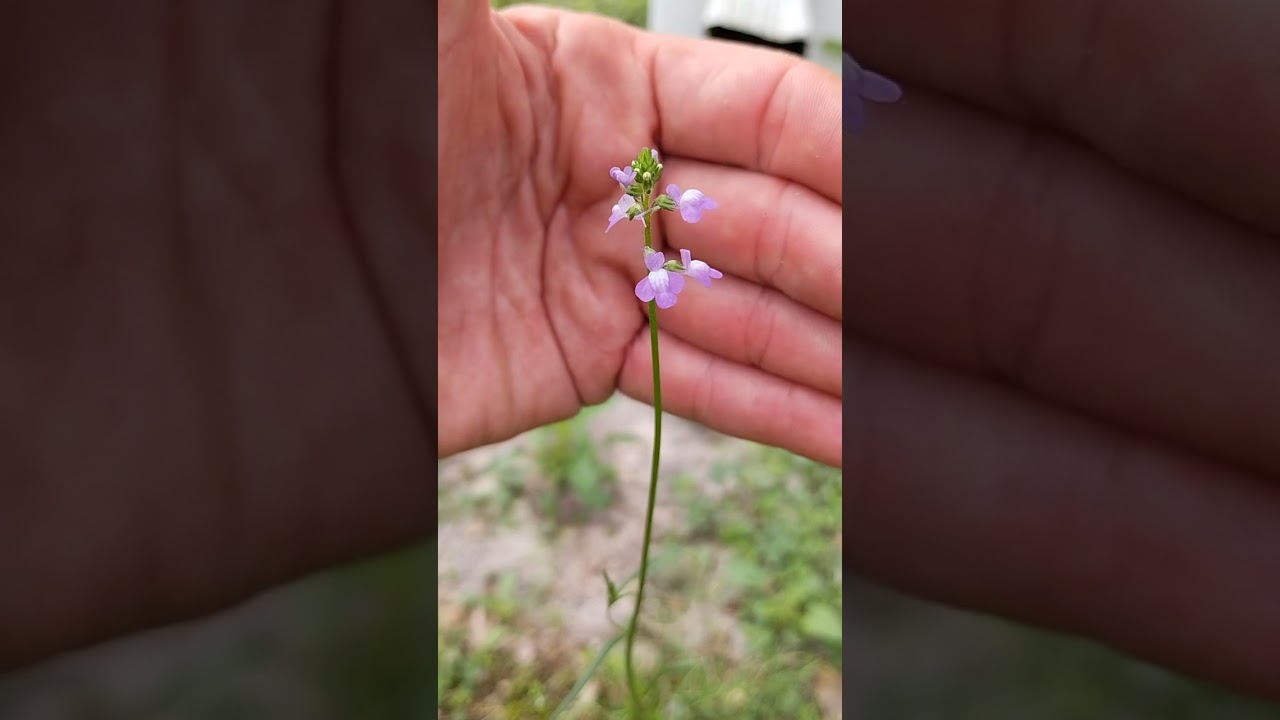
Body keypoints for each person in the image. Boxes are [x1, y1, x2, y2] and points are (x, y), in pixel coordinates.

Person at [0, 0, 1277, 705]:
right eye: (651, 216)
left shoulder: (667, 245)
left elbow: (684, 245)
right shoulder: (627, 222)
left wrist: (676, 251)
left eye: (657, 226)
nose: (657, 227)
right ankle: (614, 666)